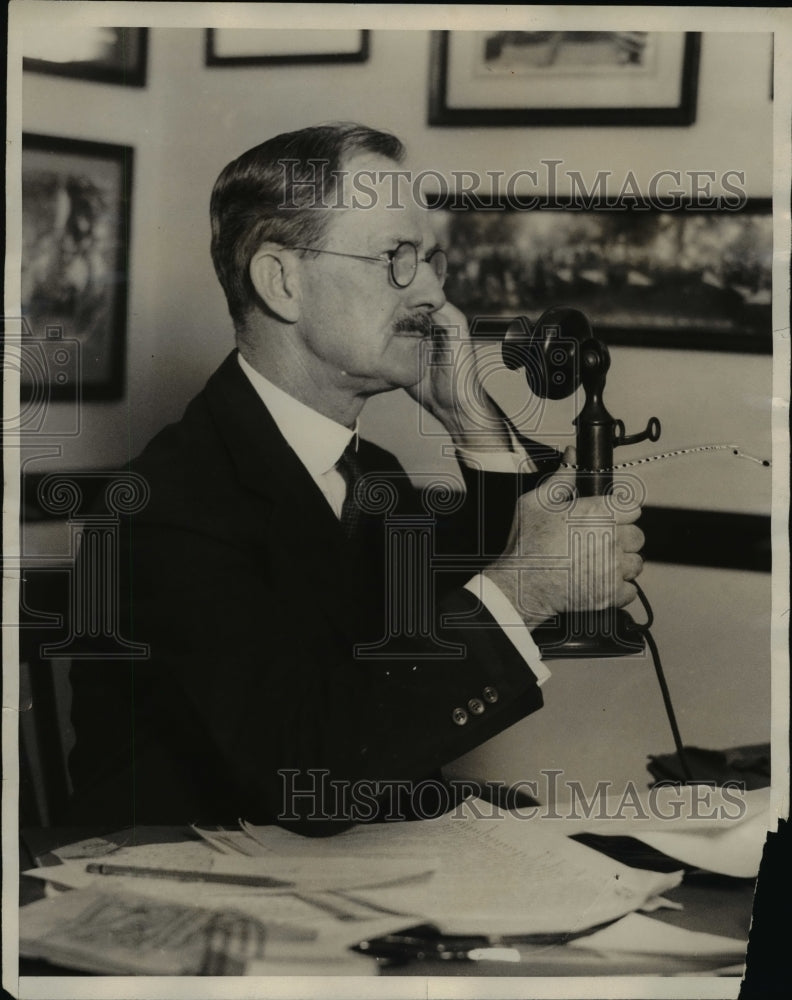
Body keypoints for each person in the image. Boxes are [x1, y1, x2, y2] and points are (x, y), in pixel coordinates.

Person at [66, 123, 644, 833]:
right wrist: (527, 588)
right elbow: (306, 775)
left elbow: (452, 629)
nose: (432, 293)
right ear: (282, 283)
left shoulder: (372, 478)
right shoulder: (162, 506)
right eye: (395, 258)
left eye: (430, 260)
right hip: (191, 878)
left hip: (359, 862)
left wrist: (471, 422)